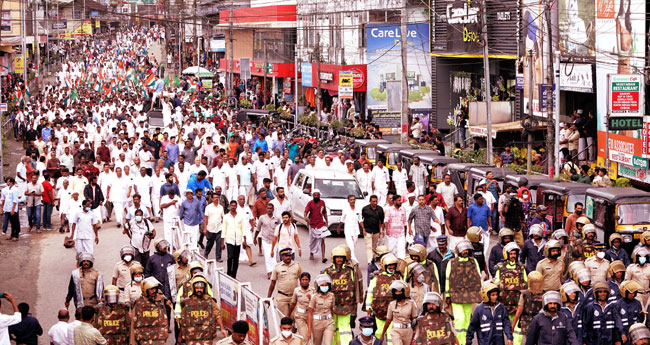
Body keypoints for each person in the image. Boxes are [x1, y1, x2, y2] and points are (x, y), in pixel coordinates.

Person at [322, 247, 357, 345]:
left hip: (346, 306)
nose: (339, 260)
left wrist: (355, 302)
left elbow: (355, 287)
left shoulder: (350, 271)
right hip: (331, 306)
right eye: (337, 257)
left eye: (341, 257)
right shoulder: (327, 271)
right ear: (333, 258)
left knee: (345, 328)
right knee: (332, 327)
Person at [178, 275, 228, 343]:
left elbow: (217, 314)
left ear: (204, 288)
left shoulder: (210, 300)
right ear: (193, 288)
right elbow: (183, 320)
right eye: (197, 288)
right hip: (191, 336)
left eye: (201, 288)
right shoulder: (187, 302)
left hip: (207, 335)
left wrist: (222, 329)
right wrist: (180, 335)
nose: (199, 290)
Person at [493, 242, 527, 345]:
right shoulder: (500, 268)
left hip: (518, 304)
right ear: (506, 254)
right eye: (511, 254)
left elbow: (525, 284)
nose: (513, 256)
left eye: (514, 254)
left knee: (518, 329)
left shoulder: (521, 268)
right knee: (504, 329)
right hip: (504, 304)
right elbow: (496, 284)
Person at [366, 253, 402, 339]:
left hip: (394, 310)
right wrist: (368, 306)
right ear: (384, 266)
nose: (391, 268)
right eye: (389, 266)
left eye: (393, 266)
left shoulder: (398, 277)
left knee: (391, 332)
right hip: (379, 309)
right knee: (379, 331)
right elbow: (370, 291)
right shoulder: (377, 277)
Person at [130, 277, 169, 345]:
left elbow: (164, 319)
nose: (154, 291)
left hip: (158, 338)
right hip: (144, 339)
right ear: (145, 290)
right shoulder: (138, 303)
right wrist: (132, 342)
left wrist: (165, 334)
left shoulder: (160, 300)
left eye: (155, 289)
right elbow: (133, 323)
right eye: (151, 289)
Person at [378, 280, 417, 345]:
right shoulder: (392, 304)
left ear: (404, 292)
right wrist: (382, 334)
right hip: (396, 331)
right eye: (396, 291)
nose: (398, 293)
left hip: (408, 331)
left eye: (400, 291)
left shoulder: (411, 304)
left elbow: (414, 318)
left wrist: (415, 335)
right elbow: (388, 321)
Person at [268, 248, 302, 317]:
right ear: (282, 256)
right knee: (285, 319)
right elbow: (273, 283)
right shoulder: (277, 267)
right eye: (286, 256)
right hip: (282, 297)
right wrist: (268, 297)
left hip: (294, 297)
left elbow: (302, 280)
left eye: (289, 255)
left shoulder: (297, 266)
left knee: (294, 318)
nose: (288, 257)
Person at [307, 273, 335, 345]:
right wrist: (309, 330)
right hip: (317, 323)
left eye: (326, 285)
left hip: (328, 322)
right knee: (317, 343)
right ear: (319, 286)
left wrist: (333, 321)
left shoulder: (331, 296)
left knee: (328, 343)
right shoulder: (314, 297)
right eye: (322, 285)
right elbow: (310, 313)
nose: (324, 287)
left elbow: (332, 309)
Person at [304, 189, 330, 263]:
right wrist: (305, 217)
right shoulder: (310, 203)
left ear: (319, 195)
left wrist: (327, 221)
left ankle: (323, 256)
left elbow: (324, 212)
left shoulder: (322, 202)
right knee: (312, 241)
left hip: (321, 224)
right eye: (315, 195)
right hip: (312, 225)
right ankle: (311, 253)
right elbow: (306, 211)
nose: (316, 196)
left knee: (322, 239)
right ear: (313, 195)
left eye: (317, 195)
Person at [223, 200, 246, 278]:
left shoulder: (240, 217)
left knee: (236, 258)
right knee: (230, 257)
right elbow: (224, 229)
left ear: (236, 206)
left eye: (234, 205)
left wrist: (245, 239)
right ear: (229, 206)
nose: (233, 207)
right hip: (229, 239)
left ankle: (234, 275)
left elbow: (243, 228)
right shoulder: (226, 217)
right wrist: (222, 242)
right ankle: (229, 273)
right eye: (231, 205)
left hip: (238, 240)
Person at [337, 195, 363, 263]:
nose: (353, 201)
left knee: (353, 245)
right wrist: (339, 228)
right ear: (348, 201)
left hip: (356, 230)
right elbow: (342, 220)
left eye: (354, 199)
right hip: (348, 230)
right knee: (351, 246)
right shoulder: (345, 209)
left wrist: (363, 229)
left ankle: (348, 257)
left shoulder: (358, 209)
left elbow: (360, 220)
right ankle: (354, 260)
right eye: (351, 200)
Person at [288, 272, 314, 341]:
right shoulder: (296, 290)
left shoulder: (313, 291)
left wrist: (311, 299)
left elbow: (317, 305)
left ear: (309, 280)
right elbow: (293, 303)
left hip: (311, 316)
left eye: (306, 279)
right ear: (300, 280)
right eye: (303, 279)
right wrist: (288, 315)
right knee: (304, 337)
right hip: (300, 316)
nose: (305, 281)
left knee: (312, 337)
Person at [361, 195, 384, 264]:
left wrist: (381, 230)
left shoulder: (380, 209)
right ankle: (370, 261)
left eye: (376, 201)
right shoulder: (365, 209)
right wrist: (363, 229)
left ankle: (373, 257)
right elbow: (361, 219)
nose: (375, 203)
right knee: (368, 246)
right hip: (367, 230)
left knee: (373, 246)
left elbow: (382, 221)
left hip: (376, 231)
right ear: (370, 201)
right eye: (373, 201)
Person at [203, 191, 225, 262]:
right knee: (210, 242)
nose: (216, 199)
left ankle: (218, 257)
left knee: (219, 243)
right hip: (210, 228)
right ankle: (206, 254)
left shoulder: (220, 207)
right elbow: (205, 218)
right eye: (215, 198)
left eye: (217, 198)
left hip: (219, 228)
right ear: (212, 199)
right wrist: (205, 228)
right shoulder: (208, 207)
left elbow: (223, 217)